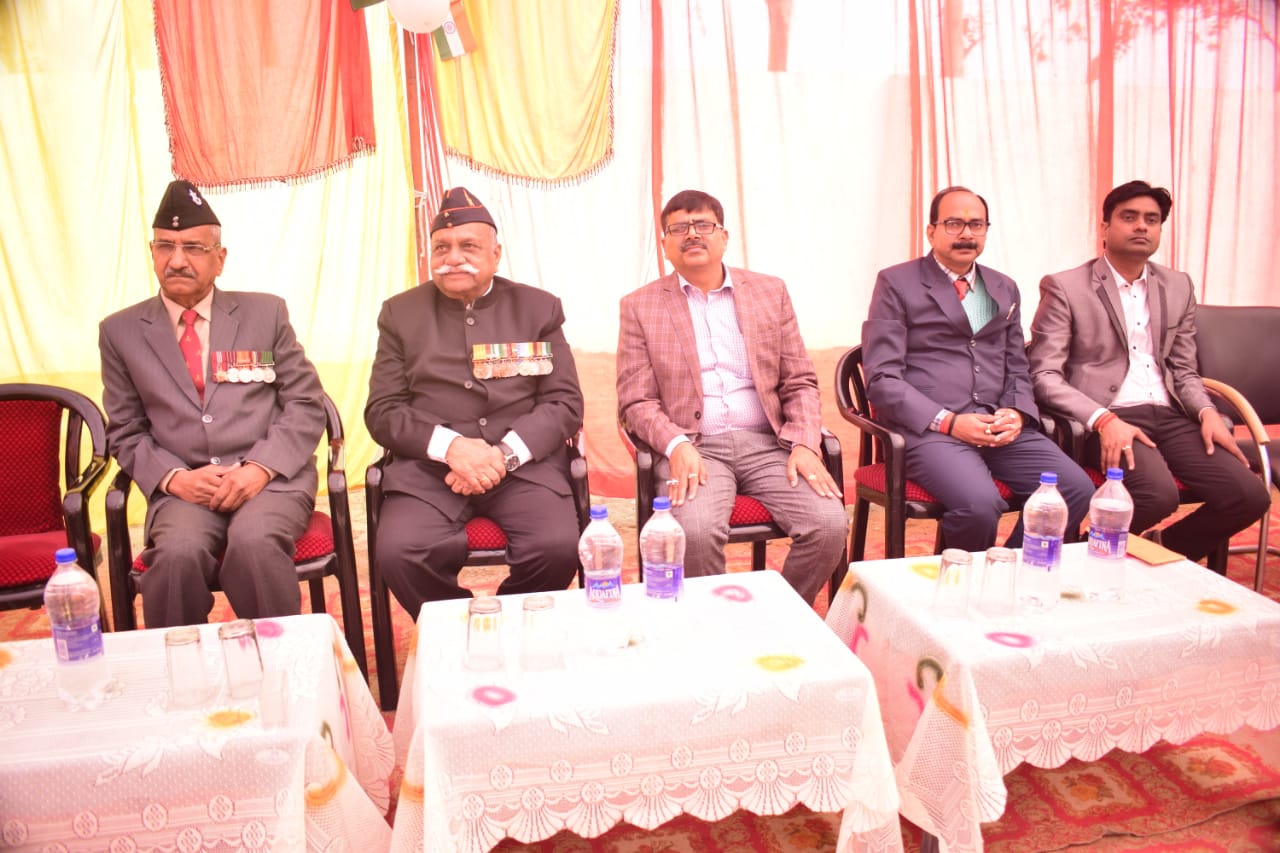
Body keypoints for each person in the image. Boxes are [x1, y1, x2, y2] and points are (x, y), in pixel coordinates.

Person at [99, 180, 326, 628]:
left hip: (269, 481)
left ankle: (278, 660)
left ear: (220, 259)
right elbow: (124, 429)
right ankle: (183, 667)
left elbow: (305, 403)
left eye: (193, 248)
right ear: (152, 252)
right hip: (185, 489)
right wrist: (174, 479)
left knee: (255, 545)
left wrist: (259, 468)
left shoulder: (265, 313)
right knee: (174, 559)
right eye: (165, 246)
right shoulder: (120, 332)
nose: (177, 260)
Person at [616, 189, 848, 606]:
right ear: (665, 244)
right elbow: (636, 401)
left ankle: (781, 616)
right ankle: (718, 626)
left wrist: (803, 442)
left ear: (723, 236)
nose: (692, 234)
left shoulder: (769, 291)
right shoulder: (640, 306)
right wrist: (676, 445)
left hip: (769, 444)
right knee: (694, 533)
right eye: (679, 228)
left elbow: (799, 380)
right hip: (696, 447)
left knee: (829, 525)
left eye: (703, 225)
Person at [1027, 180, 1270, 567]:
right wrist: (1103, 419)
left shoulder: (1177, 285)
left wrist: (1207, 411)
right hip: (1105, 417)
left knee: (1249, 495)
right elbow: (1044, 375)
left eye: (1151, 219)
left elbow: (1184, 368)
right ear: (1105, 227)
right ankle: (1087, 563)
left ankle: (1151, 552)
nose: (1141, 226)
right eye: (1129, 217)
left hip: (1170, 415)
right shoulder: (1066, 287)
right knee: (1157, 495)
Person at [366, 187, 585, 613]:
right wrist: (452, 448)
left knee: (557, 548)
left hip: (524, 469)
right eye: (441, 247)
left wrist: (501, 456)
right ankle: (457, 629)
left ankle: (510, 627)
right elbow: (383, 411)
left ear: (495, 254)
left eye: (468, 246)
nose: (453, 258)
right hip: (429, 472)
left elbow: (564, 403)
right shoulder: (400, 314)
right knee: (399, 553)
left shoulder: (538, 308)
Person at [862, 186, 1093, 551]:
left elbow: (1016, 366)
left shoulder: (1002, 287)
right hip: (932, 431)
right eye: (954, 224)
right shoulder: (897, 282)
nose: (966, 234)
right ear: (931, 231)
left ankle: (1011, 571)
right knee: (980, 506)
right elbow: (882, 378)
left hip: (998, 427)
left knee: (1074, 489)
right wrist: (950, 422)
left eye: (976, 225)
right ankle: (961, 583)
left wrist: (1016, 412)